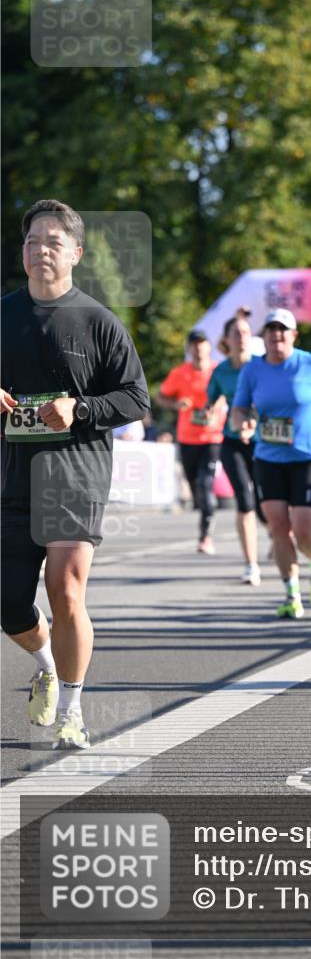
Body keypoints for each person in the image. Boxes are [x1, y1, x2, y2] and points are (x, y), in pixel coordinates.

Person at [1, 199, 149, 749]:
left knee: (64, 590)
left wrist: (78, 408)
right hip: (14, 478)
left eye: (53, 242)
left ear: (76, 254)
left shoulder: (98, 322)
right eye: (33, 241)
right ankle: (44, 665)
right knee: (7, 602)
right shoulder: (4, 315)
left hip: (75, 476)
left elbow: (136, 397)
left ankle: (72, 710)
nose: (41, 250)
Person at [231, 309, 311, 619]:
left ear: (294, 335)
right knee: (279, 527)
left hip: (308, 456)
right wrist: (243, 423)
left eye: (283, 330)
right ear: (263, 335)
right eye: (271, 330)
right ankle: (291, 594)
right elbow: (239, 409)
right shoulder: (252, 369)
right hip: (268, 457)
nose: (276, 335)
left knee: (304, 528)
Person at [207, 310, 263, 586]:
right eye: (236, 333)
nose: (242, 337)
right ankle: (251, 563)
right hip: (232, 441)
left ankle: (278, 537)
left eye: (245, 332)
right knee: (245, 499)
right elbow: (212, 400)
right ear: (226, 340)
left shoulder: (261, 366)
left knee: (267, 501)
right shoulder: (221, 371)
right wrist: (212, 409)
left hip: (265, 441)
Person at [157, 330, 224, 554]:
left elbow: (231, 393)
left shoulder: (218, 371)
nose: (198, 348)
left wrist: (219, 405)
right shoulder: (180, 373)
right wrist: (176, 404)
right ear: (189, 348)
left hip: (213, 437)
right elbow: (161, 396)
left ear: (209, 346)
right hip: (187, 438)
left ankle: (205, 536)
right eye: (194, 344)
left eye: (202, 343)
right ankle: (205, 508)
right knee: (196, 485)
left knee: (205, 483)